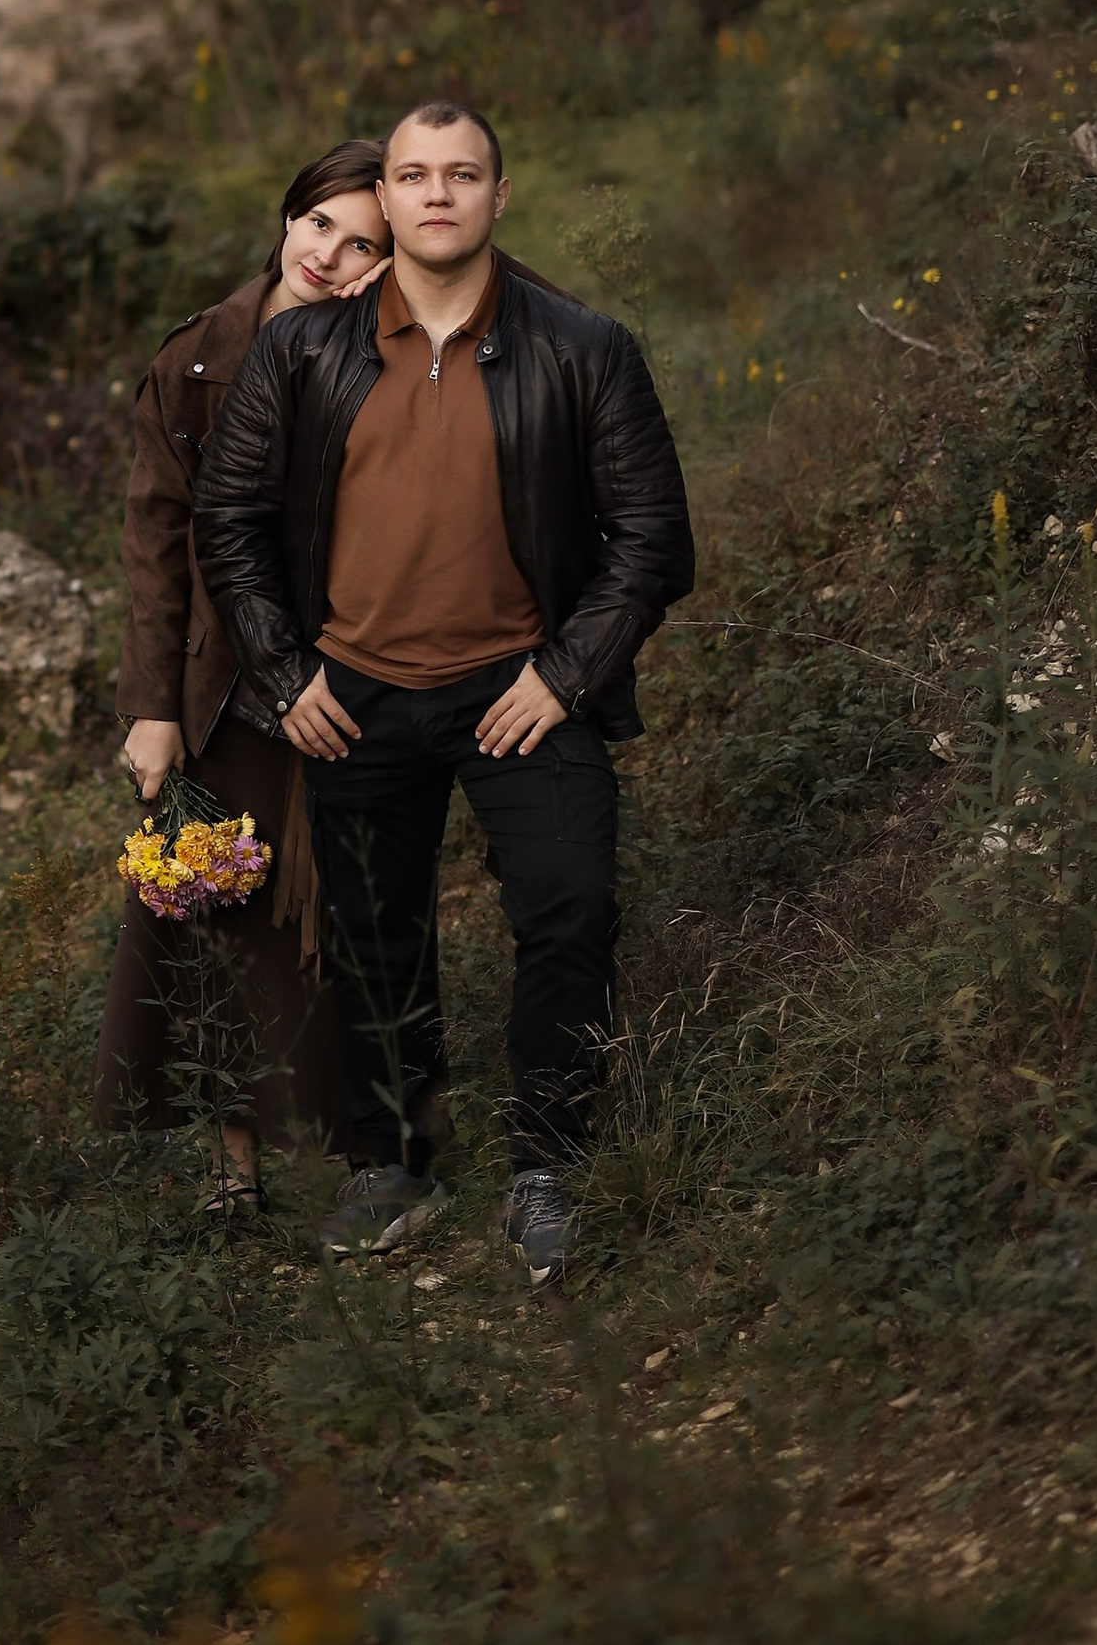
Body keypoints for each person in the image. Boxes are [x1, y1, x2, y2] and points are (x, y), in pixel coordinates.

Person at [193, 99, 694, 1285]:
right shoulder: (301, 350)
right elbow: (228, 516)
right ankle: (393, 1164)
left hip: (517, 689)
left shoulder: (582, 347)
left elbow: (653, 540)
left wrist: (565, 675)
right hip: (352, 693)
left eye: (460, 175)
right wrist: (281, 670)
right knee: (377, 937)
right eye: (412, 176)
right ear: (393, 198)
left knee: (568, 911)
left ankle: (547, 1170)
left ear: (497, 197)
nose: (433, 194)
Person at [91, 140, 391, 1209]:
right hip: (219, 683)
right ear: (287, 216)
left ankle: (368, 1142)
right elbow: (152, 544)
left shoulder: (391, 347)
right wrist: (150, 709)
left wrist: (378, 304)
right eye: (319, 224)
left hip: (347, 668)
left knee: (335, 902)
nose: (329, 252)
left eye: (364, 241)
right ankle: (235, 1171)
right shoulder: (198, 355)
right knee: (217, 902)